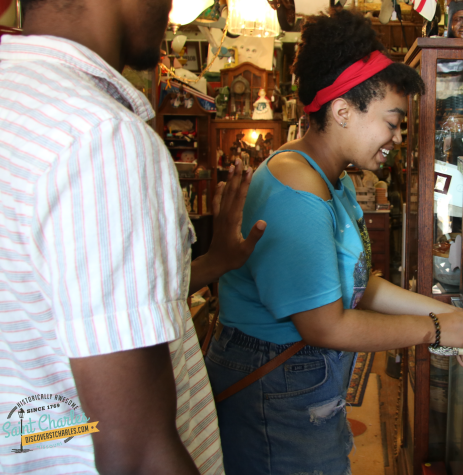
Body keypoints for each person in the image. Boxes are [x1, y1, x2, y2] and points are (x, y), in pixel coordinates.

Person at [205, 9, 463, 475]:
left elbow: (358, 284)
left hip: (301, 381)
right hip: (275, 387)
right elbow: (326, 326)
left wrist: (441, 312)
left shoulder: (333, 180)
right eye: (392, 121)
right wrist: (433, 329)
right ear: (342, 111)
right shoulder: (298, 193)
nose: (397, 137)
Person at [0, 0, 265, 473]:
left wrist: (209, 265)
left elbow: (62, 307)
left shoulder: (20, 99)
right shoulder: (101, 138)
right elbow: (138, 454)